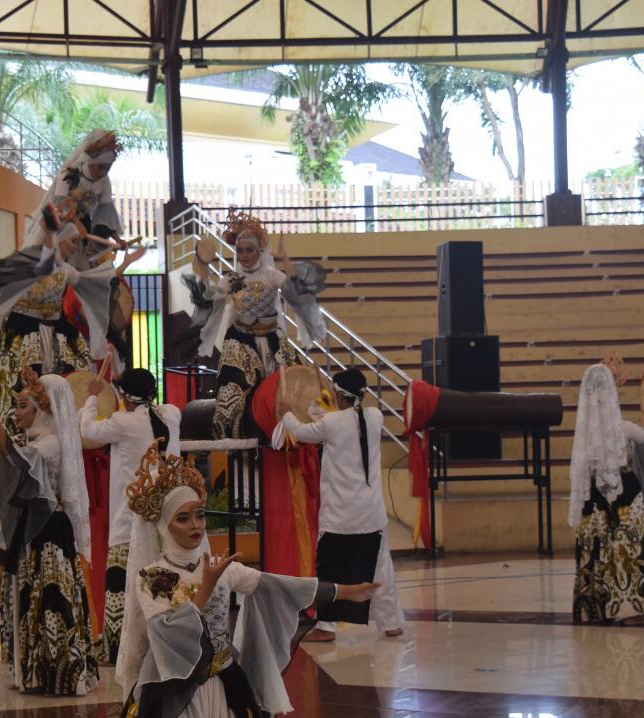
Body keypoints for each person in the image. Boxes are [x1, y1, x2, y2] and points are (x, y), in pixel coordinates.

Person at [59, 446, 378, 718]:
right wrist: (205, 589)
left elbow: (276, 586)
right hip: (176, 694)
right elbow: (167, 635)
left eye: (198, 515)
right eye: (183, 518)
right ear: (163, 525)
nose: (195, 525)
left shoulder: (219, 568)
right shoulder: (152, 577)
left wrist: (343, 591)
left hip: (219, 688)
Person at [0, 366, 99, 696]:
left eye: (24, 405)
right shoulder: (37, 439)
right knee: (33, 595)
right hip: (33, 530)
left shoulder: (51, 443)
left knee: (51, 597)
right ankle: (37, 668)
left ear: (43, 409)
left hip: (50, 531)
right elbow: (9, 459)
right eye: (16, 405)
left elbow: (23, 465)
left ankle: (58, 670)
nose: (17, 412)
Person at [275, 368, 404, 642]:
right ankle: (391, 622)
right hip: (372, 513)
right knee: (381, 566)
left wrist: (286, 412)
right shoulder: (375, 416)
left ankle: (327, 627)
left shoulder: (332, 423)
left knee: (332, 568)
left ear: (338, 394)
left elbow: (299, 431)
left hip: (340, 515)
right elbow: (346, 421)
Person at [182, 209, 328, 438]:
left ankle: (297, 438)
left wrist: (287, 262)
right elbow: (211, 300)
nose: (244, 255)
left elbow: (296, 293)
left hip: (273, 339)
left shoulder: (271, 275)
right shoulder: (231, 279)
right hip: (240, 340)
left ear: (259, 250)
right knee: (229, 400)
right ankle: (236, 449)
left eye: (249, 250)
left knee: (297, 389)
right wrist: (202, 271)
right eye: (240, 250)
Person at [78, 368, 183, 664]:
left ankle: (117, 649)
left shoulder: (123, 422)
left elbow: (87, 430)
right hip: (167, 517)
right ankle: (163, 642)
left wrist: (92, 397)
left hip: (130, 520)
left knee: (120, 582)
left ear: (123, 395)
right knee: (162, 580)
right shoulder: (171, 415)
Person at [0, 225, 108, 429]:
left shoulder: (67, 271)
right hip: (25, 333)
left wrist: (120, 267)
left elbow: (94, 284)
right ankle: (18, 432)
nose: (75, 248)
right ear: (58, 239)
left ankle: (64, 427)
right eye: (72, 241)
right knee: (21, 383)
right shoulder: (30, 268)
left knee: (70, 378)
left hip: (57, 332)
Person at [568, 363, 644, 626]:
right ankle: (631, 611)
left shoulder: (584, 436)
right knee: (629, 548)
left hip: (593, 498)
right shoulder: (623, 428)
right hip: (625, 493)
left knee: (596, 548)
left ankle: (593, 608)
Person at [22, 129, 123, 252]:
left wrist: (118, 240)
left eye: (108, 169)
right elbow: (58, 207)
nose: (103, 173)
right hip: (58, 225)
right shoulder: (68, 174)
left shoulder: (105, 182)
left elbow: (105, 218)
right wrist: (75, 223)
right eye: (100, 167)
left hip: (83, 229)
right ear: (91, 161)